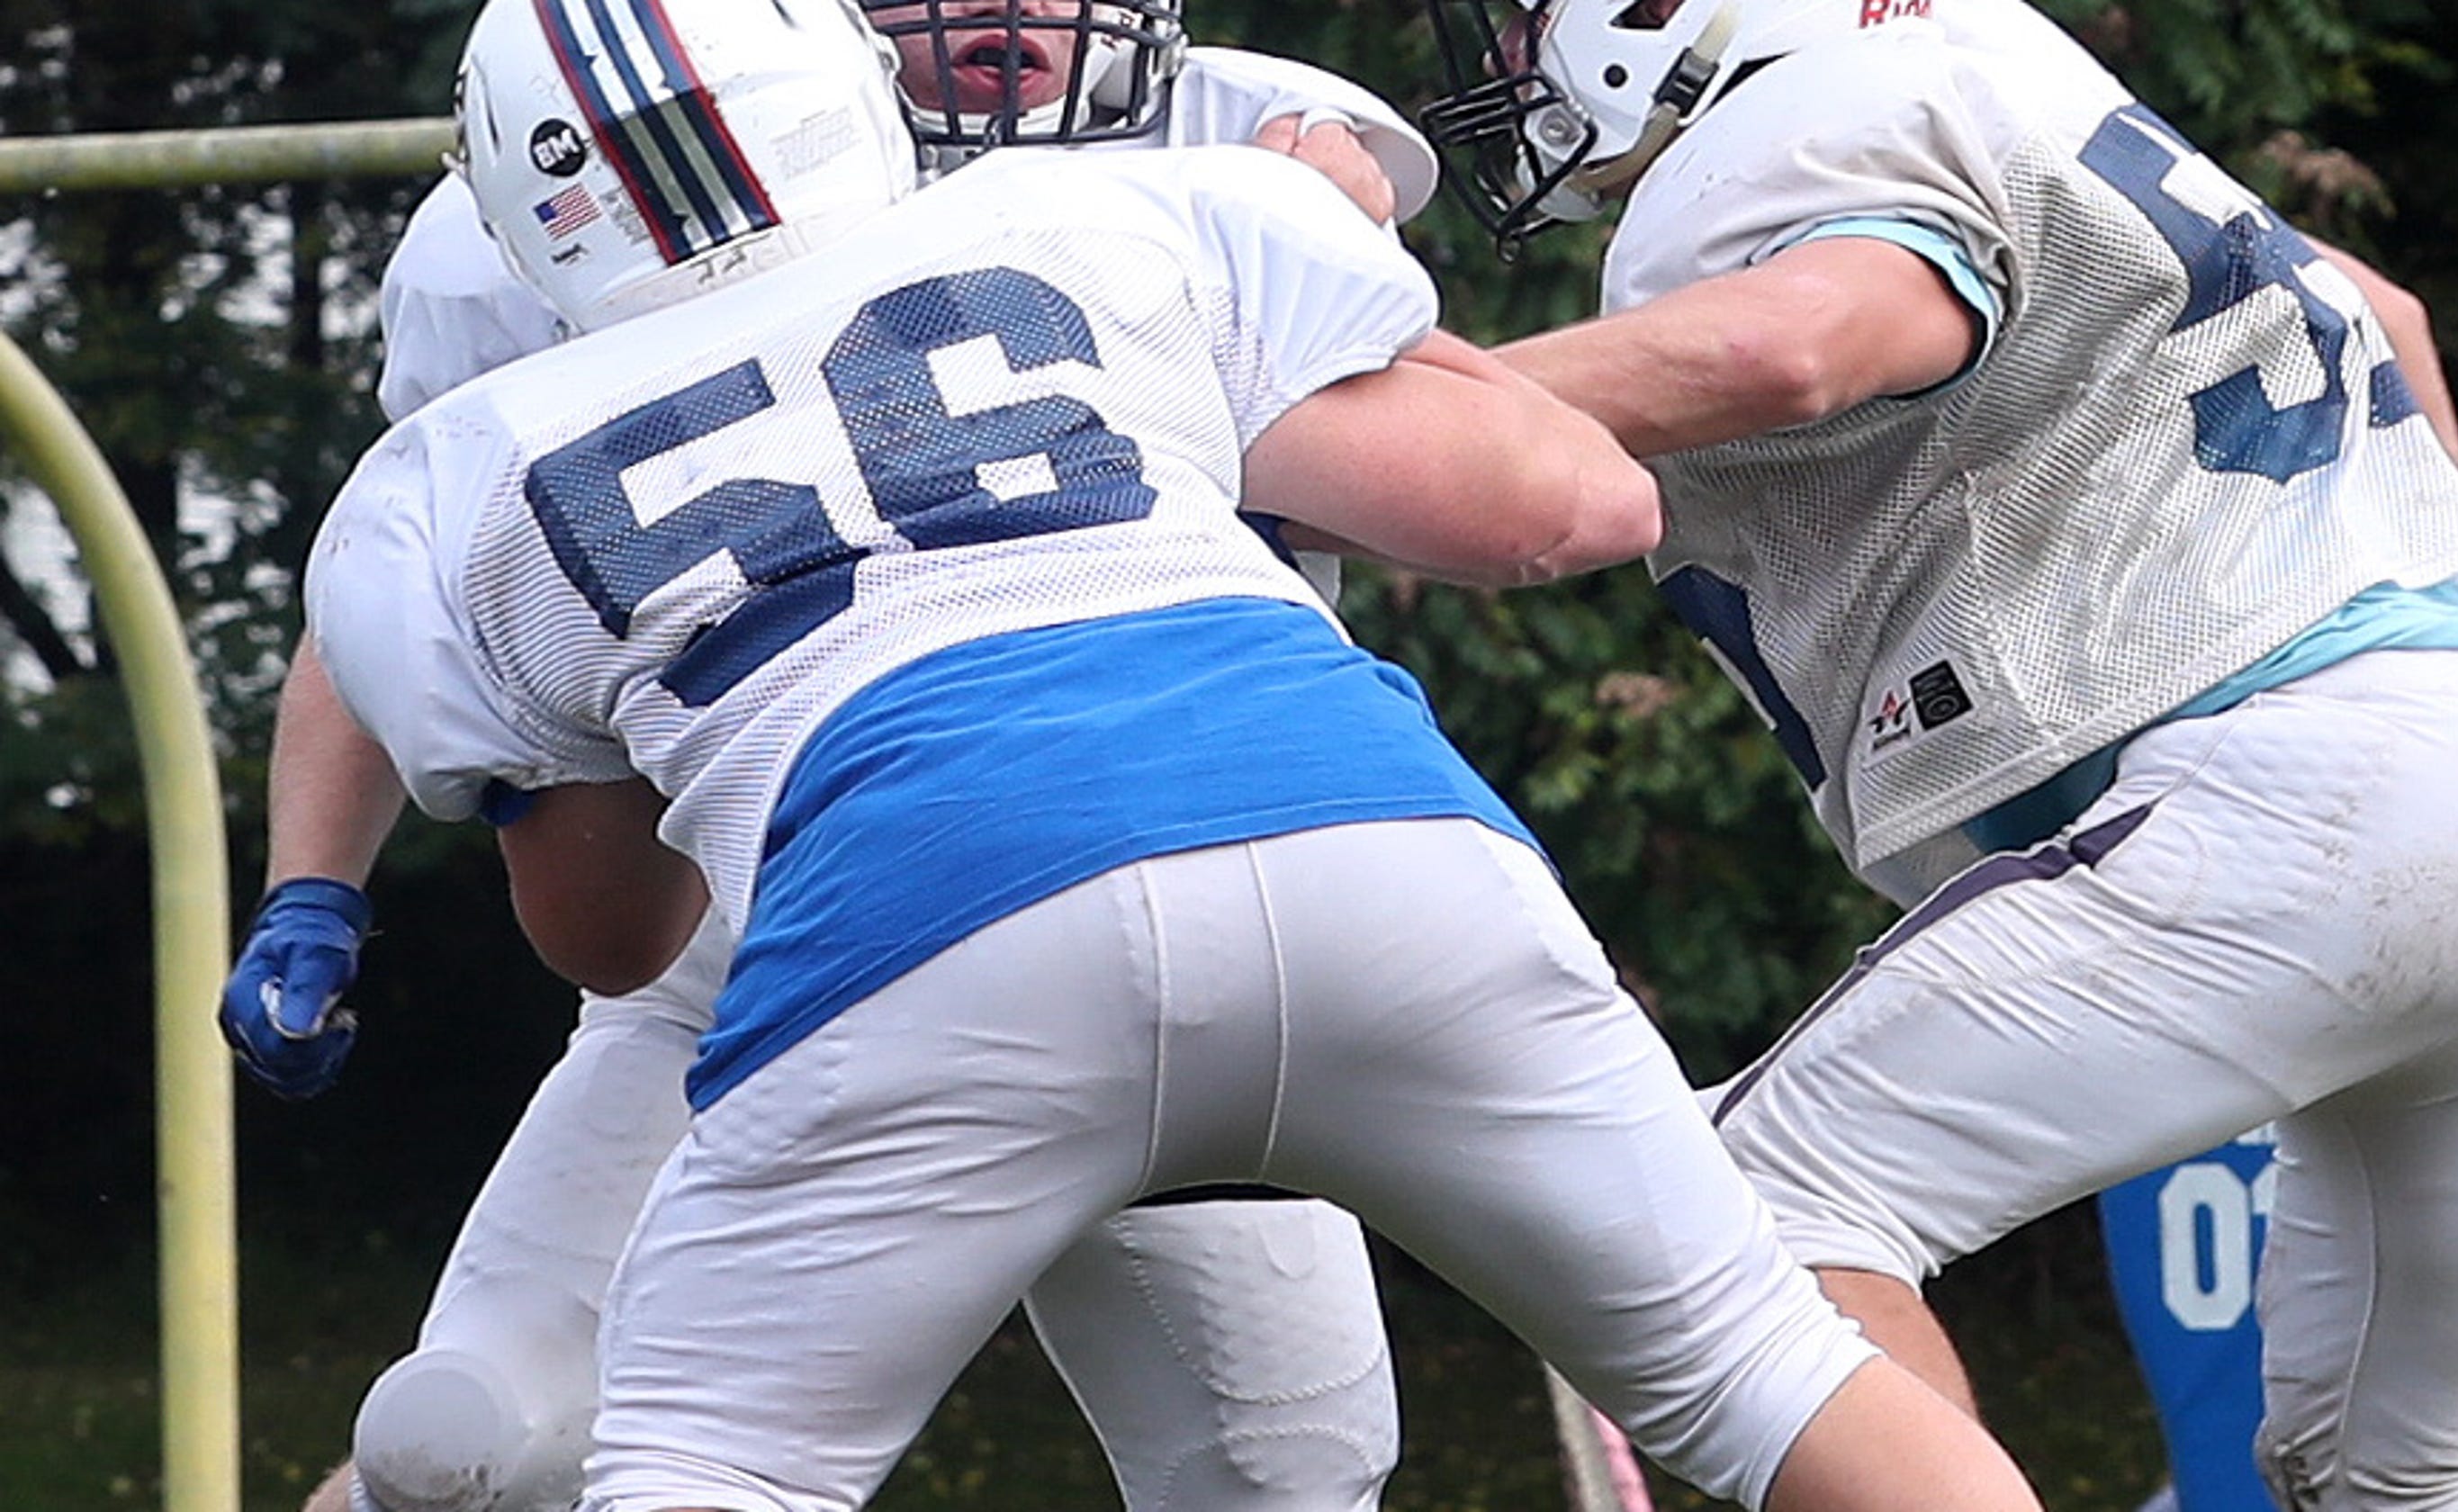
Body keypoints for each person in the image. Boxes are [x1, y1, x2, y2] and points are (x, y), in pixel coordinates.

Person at [295, 2, 2053, 1511]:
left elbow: (612, 936)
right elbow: (1578, 505)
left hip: (902, 912)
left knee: (706, 1466)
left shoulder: (441, 489)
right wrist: (1318, 331)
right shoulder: (1144, 204)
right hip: (1366, 837)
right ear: (838, 80)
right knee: (1763, 1376)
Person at [1414, 0, 2458, 1508]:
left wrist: (1361, 409)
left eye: (1526, 22)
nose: (1504, 64)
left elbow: (1796, 341)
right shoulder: (2009, 78)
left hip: (2310, 794)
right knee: (2393, 1474)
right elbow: (2386, 316)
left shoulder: (1793, 127)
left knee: (1744, 1213)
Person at [220, 4, 1451, 1511]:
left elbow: (1479, 480)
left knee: (1281, 1475)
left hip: (1185, 844)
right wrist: (312, 883)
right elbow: (408, 580)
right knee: (474, 1444)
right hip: (760, 909)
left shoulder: (1246, 140)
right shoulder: (571, 188)